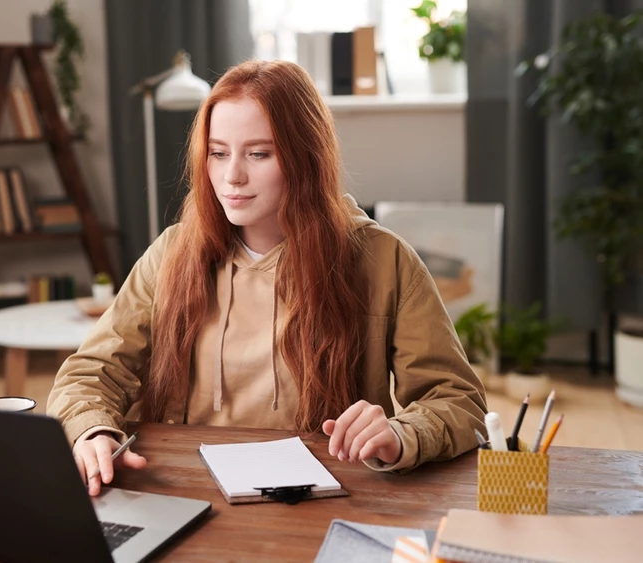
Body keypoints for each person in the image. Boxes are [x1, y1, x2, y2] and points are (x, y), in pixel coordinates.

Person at [47, 60, 487, 496]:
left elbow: (458, 401)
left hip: (318, 499)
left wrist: (400, 433)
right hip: (183, 489)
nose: (231, 176)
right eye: (218, 153)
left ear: (305, 157)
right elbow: (91, 372)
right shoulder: (172, 253)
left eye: (258, 153)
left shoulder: (383, 259)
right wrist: (91, 432)